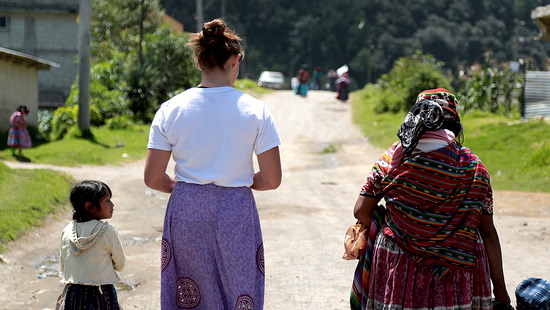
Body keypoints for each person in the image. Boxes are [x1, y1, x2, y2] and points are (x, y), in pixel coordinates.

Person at [144, 19, 281, 310]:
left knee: (189, 292)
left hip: (187, 207)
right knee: (239, 289)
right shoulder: (256, 110)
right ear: (235, 60)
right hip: (236, 209)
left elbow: (154, 177)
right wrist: (239, 180)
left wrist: (183, 188)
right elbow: (271, 179)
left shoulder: (171, 109)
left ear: (198, 61)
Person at [350, 88, 512, 309]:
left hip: (398, 267)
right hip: (457, 269)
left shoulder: (392, 159)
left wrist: (385, 221)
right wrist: (500, 291)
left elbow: (361, 211)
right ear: (455, 123)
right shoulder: (475, 167)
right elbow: (487, 231)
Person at [56, 180, 126, 310]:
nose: (112, 204)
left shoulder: (67, 231)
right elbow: (120, 264)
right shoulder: (107, 232)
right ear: (90, 207)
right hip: (102, 293)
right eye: (107, 201)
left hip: (74, 294)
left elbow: (64, 266)